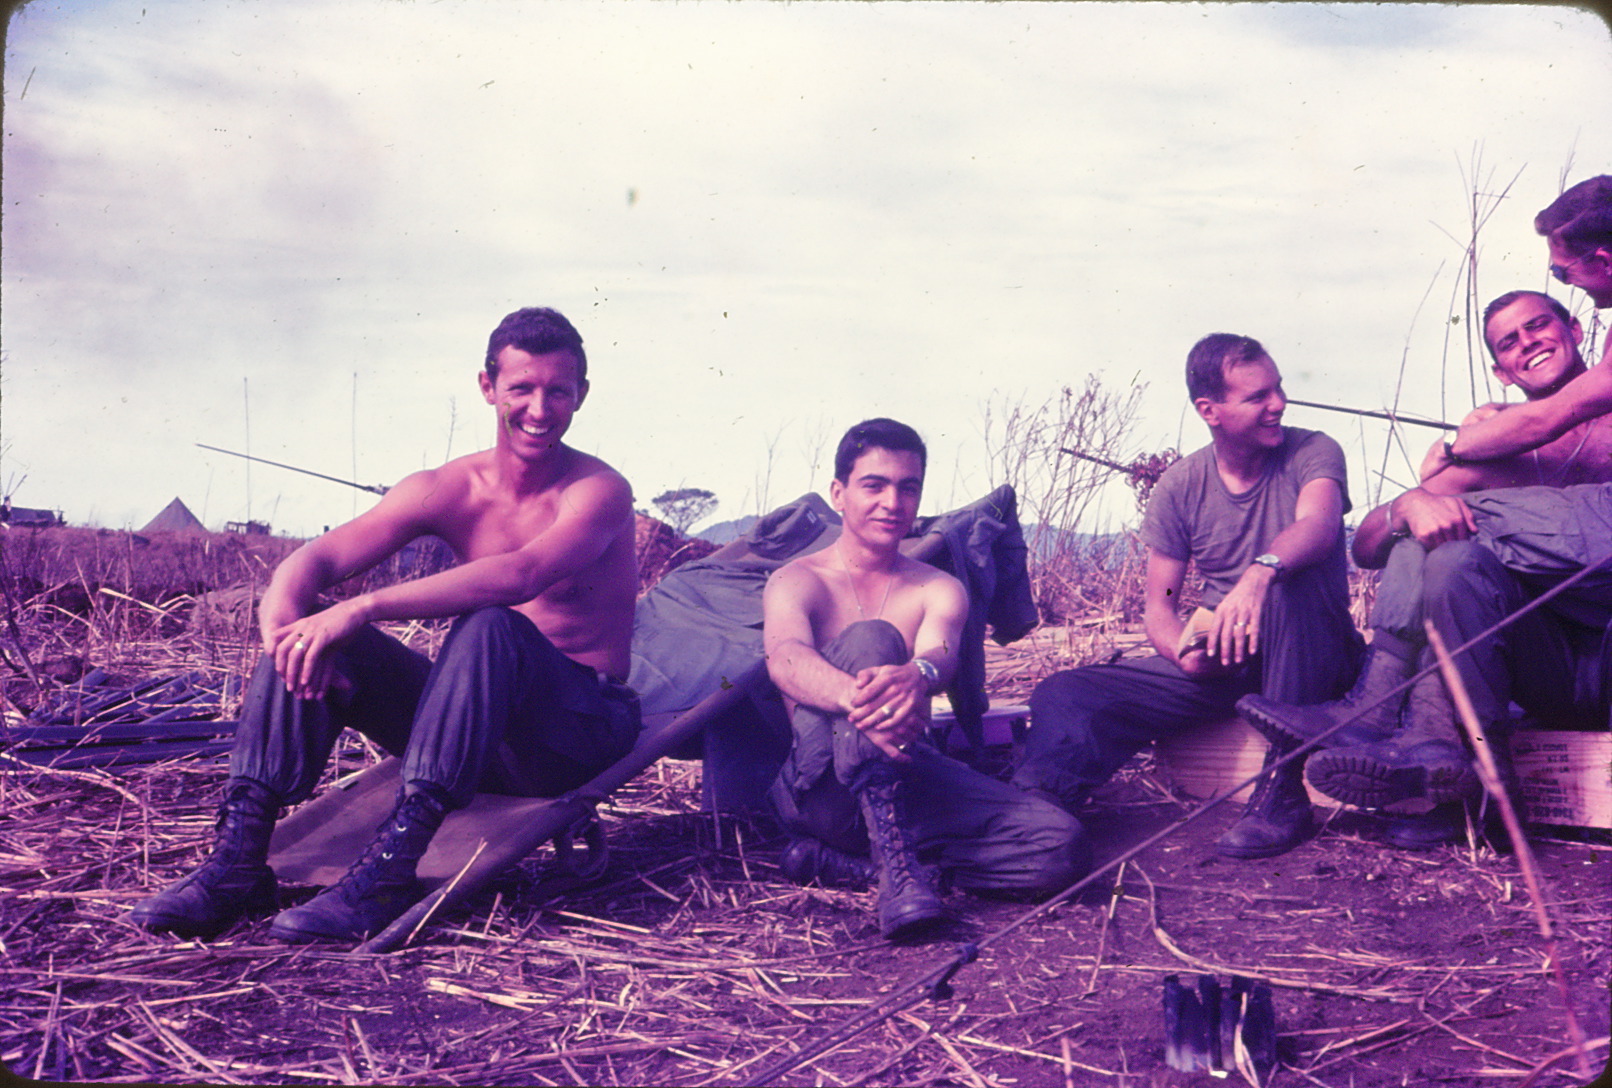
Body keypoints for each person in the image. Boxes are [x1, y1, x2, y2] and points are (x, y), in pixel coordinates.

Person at [130, 306, 641, 943]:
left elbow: (523, 574)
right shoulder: (447, 487)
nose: (540, 409)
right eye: (522, 389)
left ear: (580, 396)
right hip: (477, 736)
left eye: (558, 391)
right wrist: (283, 620)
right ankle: (237, 863)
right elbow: (315, 558)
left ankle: (390, 875)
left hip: (571, 734)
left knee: (490, 625)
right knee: (313, 626)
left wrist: (366, 606)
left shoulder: (599, 490)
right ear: (488, 388)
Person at [1241, 180, 1612, 841]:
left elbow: (1562, 415)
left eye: (1540, 324)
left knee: (1459, 526)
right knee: (1447, 558)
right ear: (1499, 370)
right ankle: (1462, 782)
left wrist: (1456, 454)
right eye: (1509, 342)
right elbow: (1370, 545)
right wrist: (1415, 500)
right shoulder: (1497, 444)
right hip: (1548, 665)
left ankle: (1376, 709)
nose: (1528, 343)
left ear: (1575, 329)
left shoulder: (1580, 404)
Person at [1009, 335, 1362, 860]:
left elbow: (1319, 525)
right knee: (1066, 692)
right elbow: (1160, 606)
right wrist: (1185, 654)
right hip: (1232, 656)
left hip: (1316, 652)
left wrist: (1259, 574)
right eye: (1257, 397)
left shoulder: (1313, 450)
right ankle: (1034, 814)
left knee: (1290, 580)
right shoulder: (1180, 485)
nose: (1279, 405)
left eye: (1279, 389)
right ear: (1210, 410)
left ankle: (1280, 793)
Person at [763, 419, 1087, 940]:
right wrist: (858, 696)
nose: (893, 501)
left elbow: (941, 650)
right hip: (823, 789)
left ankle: (872, 868)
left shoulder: (938, 587)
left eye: (907, 487)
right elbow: (785, 658)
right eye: (874, 485)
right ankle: (892, 873)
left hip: (909, 769)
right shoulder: (796, 579)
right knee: (873, 638)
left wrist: (919, 675)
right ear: (839, 494)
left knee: (1059, 843)